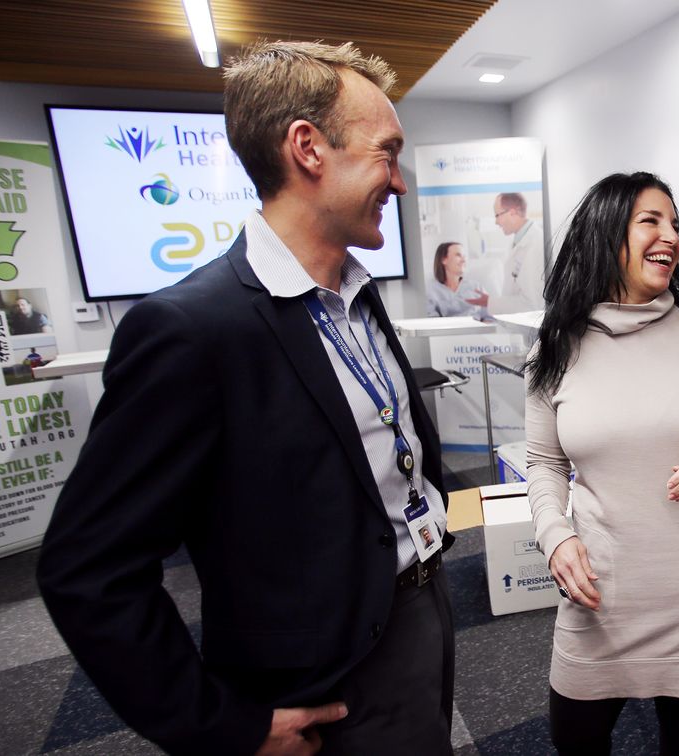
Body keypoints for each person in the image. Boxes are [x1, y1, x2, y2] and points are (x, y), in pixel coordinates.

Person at [37, 41, 455, 756]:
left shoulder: (357, 292)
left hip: (419, 610)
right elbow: (88, 570)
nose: (400, 181)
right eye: (387, 153)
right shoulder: (191, 330)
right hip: (319, 681)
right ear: (308, 148)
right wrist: (224, 727)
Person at [525, 171, 679, 755]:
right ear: (607, 234)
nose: (671, 236)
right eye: (651, 221)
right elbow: (543, 462)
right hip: (601, 590)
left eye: (675, 223)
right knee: (575, 736)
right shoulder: (555, 347)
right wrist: (555, 537)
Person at [491, 191, 544, 313]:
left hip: (528, 325)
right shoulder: (518, 241)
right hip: (516, 323)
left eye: (497, 215)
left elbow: (532, 304)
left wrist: (490, 302)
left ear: (512, 212)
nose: (496, 222)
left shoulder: (535, 242)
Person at [426, 241, 490, 318]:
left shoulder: (476, 287)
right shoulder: (431, 291)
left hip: (478, 328)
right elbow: (432, 322)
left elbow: (490, 316)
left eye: (464, 256)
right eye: (458, 255)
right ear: (444, 260)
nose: (463, 260)